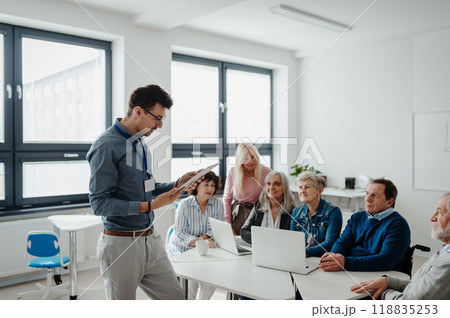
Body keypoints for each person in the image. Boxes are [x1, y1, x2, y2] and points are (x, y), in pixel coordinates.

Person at [87, 84, 198, 300]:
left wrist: (178, 184)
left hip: (150, 240)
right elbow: (99, 204)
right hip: (120, 245)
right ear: (138, 111)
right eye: (157, 118)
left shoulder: (140, 143)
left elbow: (147, 187)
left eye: (162, 120)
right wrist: (151, 206)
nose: (159, 125)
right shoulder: (106, 146)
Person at [350, 193, 450, 300]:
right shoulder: (444, 251)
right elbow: (418, 287)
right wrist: (388, 282)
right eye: (367, 193)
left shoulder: (446, 265)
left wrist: (383, 292)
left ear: (390, 201)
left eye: (439, 212)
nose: (432, 218)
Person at [319, 178, 411, 272]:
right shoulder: (357, 217)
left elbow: (386, 260)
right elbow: (342, 243)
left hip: (378, 275)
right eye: (367, 193)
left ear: (389, 202)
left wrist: (345, 263)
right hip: (352, 270)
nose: (367, 199)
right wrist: (333, 258)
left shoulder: (398, 225)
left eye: (374, 195)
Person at [166, 171, 224, 300]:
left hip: (205, 250)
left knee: (211, 282)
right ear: (197, 186)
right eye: (206, 184)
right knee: (191, 283)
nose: (210, 189)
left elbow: (217, 230)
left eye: (213, 185)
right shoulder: (184, 204)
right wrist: (199, 241)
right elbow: (179, 232)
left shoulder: (218, 205)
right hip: (182, 248)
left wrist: (202, 241)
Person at [223, 142, 271, 235]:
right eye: (246, 158)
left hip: (259, 215)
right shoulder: (233, 172)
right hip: (238, 216)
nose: (251, 161)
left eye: (253, 157)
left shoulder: (266, 172)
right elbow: (227, 199)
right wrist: (227, 224)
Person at [290, 171, 343, 257]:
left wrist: (304, 252)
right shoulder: (296, 211)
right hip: (300, 257)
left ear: (320, 191)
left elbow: (329, 244)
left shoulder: (333, 212)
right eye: (300, 187)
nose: (302, 191)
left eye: (307, 187)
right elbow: (293, 240)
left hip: (321, 258)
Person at [240, 171, 296, 244]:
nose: (271, 187)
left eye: (276, 184)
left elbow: (294, 239)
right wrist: (260, 241)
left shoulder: (293, 210)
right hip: (260, 249)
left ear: (284, 187)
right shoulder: (258, 206)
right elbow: (244, 231)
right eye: (268, 184)